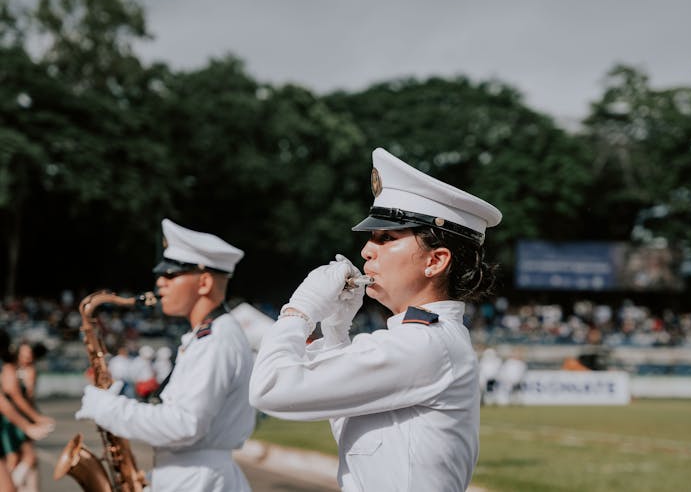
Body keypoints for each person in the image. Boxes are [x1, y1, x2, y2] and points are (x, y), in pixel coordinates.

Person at [249, 147, 502, 492]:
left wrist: (300, 309)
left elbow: (270, 389)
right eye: (371, 238)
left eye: (387, 238)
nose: (367, 250)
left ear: (435, 261)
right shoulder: (419, 338)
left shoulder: (423, 342)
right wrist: (336, 330)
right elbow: (353, 429)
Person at [75, 219, 256, 492]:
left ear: (204, 282)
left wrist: (107, 408)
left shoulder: (215, 341)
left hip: (197, 479)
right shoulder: (206, 336)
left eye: (171, 275)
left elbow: (185, 425)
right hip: (191, 475)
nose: (160, 282)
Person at [0, 333, 53, 492]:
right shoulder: (10, 368)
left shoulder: (25, 369)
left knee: (20, 459)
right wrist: (33, 420)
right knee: (22, 459)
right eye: (24, 353)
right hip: (11, 420)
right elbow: (14, 398)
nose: (27, 356)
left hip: (14, 418)